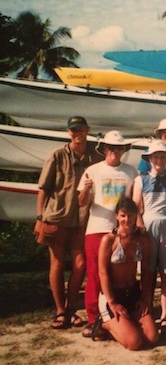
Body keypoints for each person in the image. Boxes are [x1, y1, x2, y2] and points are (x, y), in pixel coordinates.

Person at [34, 116, 102, 329]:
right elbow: (43, 188)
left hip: (82, 220)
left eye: (81, 129)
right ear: (68, 132)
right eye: (73, 130)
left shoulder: (95, 155)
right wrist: (39, 217)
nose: (77, 133)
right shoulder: (57, 155)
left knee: (80, 264)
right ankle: (61, 311)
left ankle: (71, 307)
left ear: (87, 130)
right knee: (57, 263)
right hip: (56, 217)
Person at [77, 130, 137, 338]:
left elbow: (134, 203)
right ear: (104, 149)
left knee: (120, 274)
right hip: (97, 228)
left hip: (122, 229)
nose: (115, 151)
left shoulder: (131, 172)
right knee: (95, 273)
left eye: (119, 148)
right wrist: (85, 190)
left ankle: (118, 314)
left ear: (123, 150)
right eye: (111, 147)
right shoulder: (92, 171)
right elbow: (82, 202)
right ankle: (94, 320)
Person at [132, 140, 166, 332]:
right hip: (147, 230)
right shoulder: (140, 180)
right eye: (155, 156)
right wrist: (140, 229)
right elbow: (136, 207)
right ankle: (147, 311)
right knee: (147, 273)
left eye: (162, 156)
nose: (159, 159)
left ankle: (164, 315)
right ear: (150, 159)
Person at [97, 197, 158, 350]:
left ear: (136, 215)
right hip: (113, 295)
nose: (127, 219)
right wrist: (112, 303)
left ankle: (127, 323)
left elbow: (146, 271)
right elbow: (103, 273)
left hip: (133, 293)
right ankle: (104, 325)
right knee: (134, 343)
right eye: (123, 215)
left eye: (130, 215)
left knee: (152, 338)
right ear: (117, 216)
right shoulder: (109, 240)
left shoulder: (142, 240)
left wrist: (145, 298)